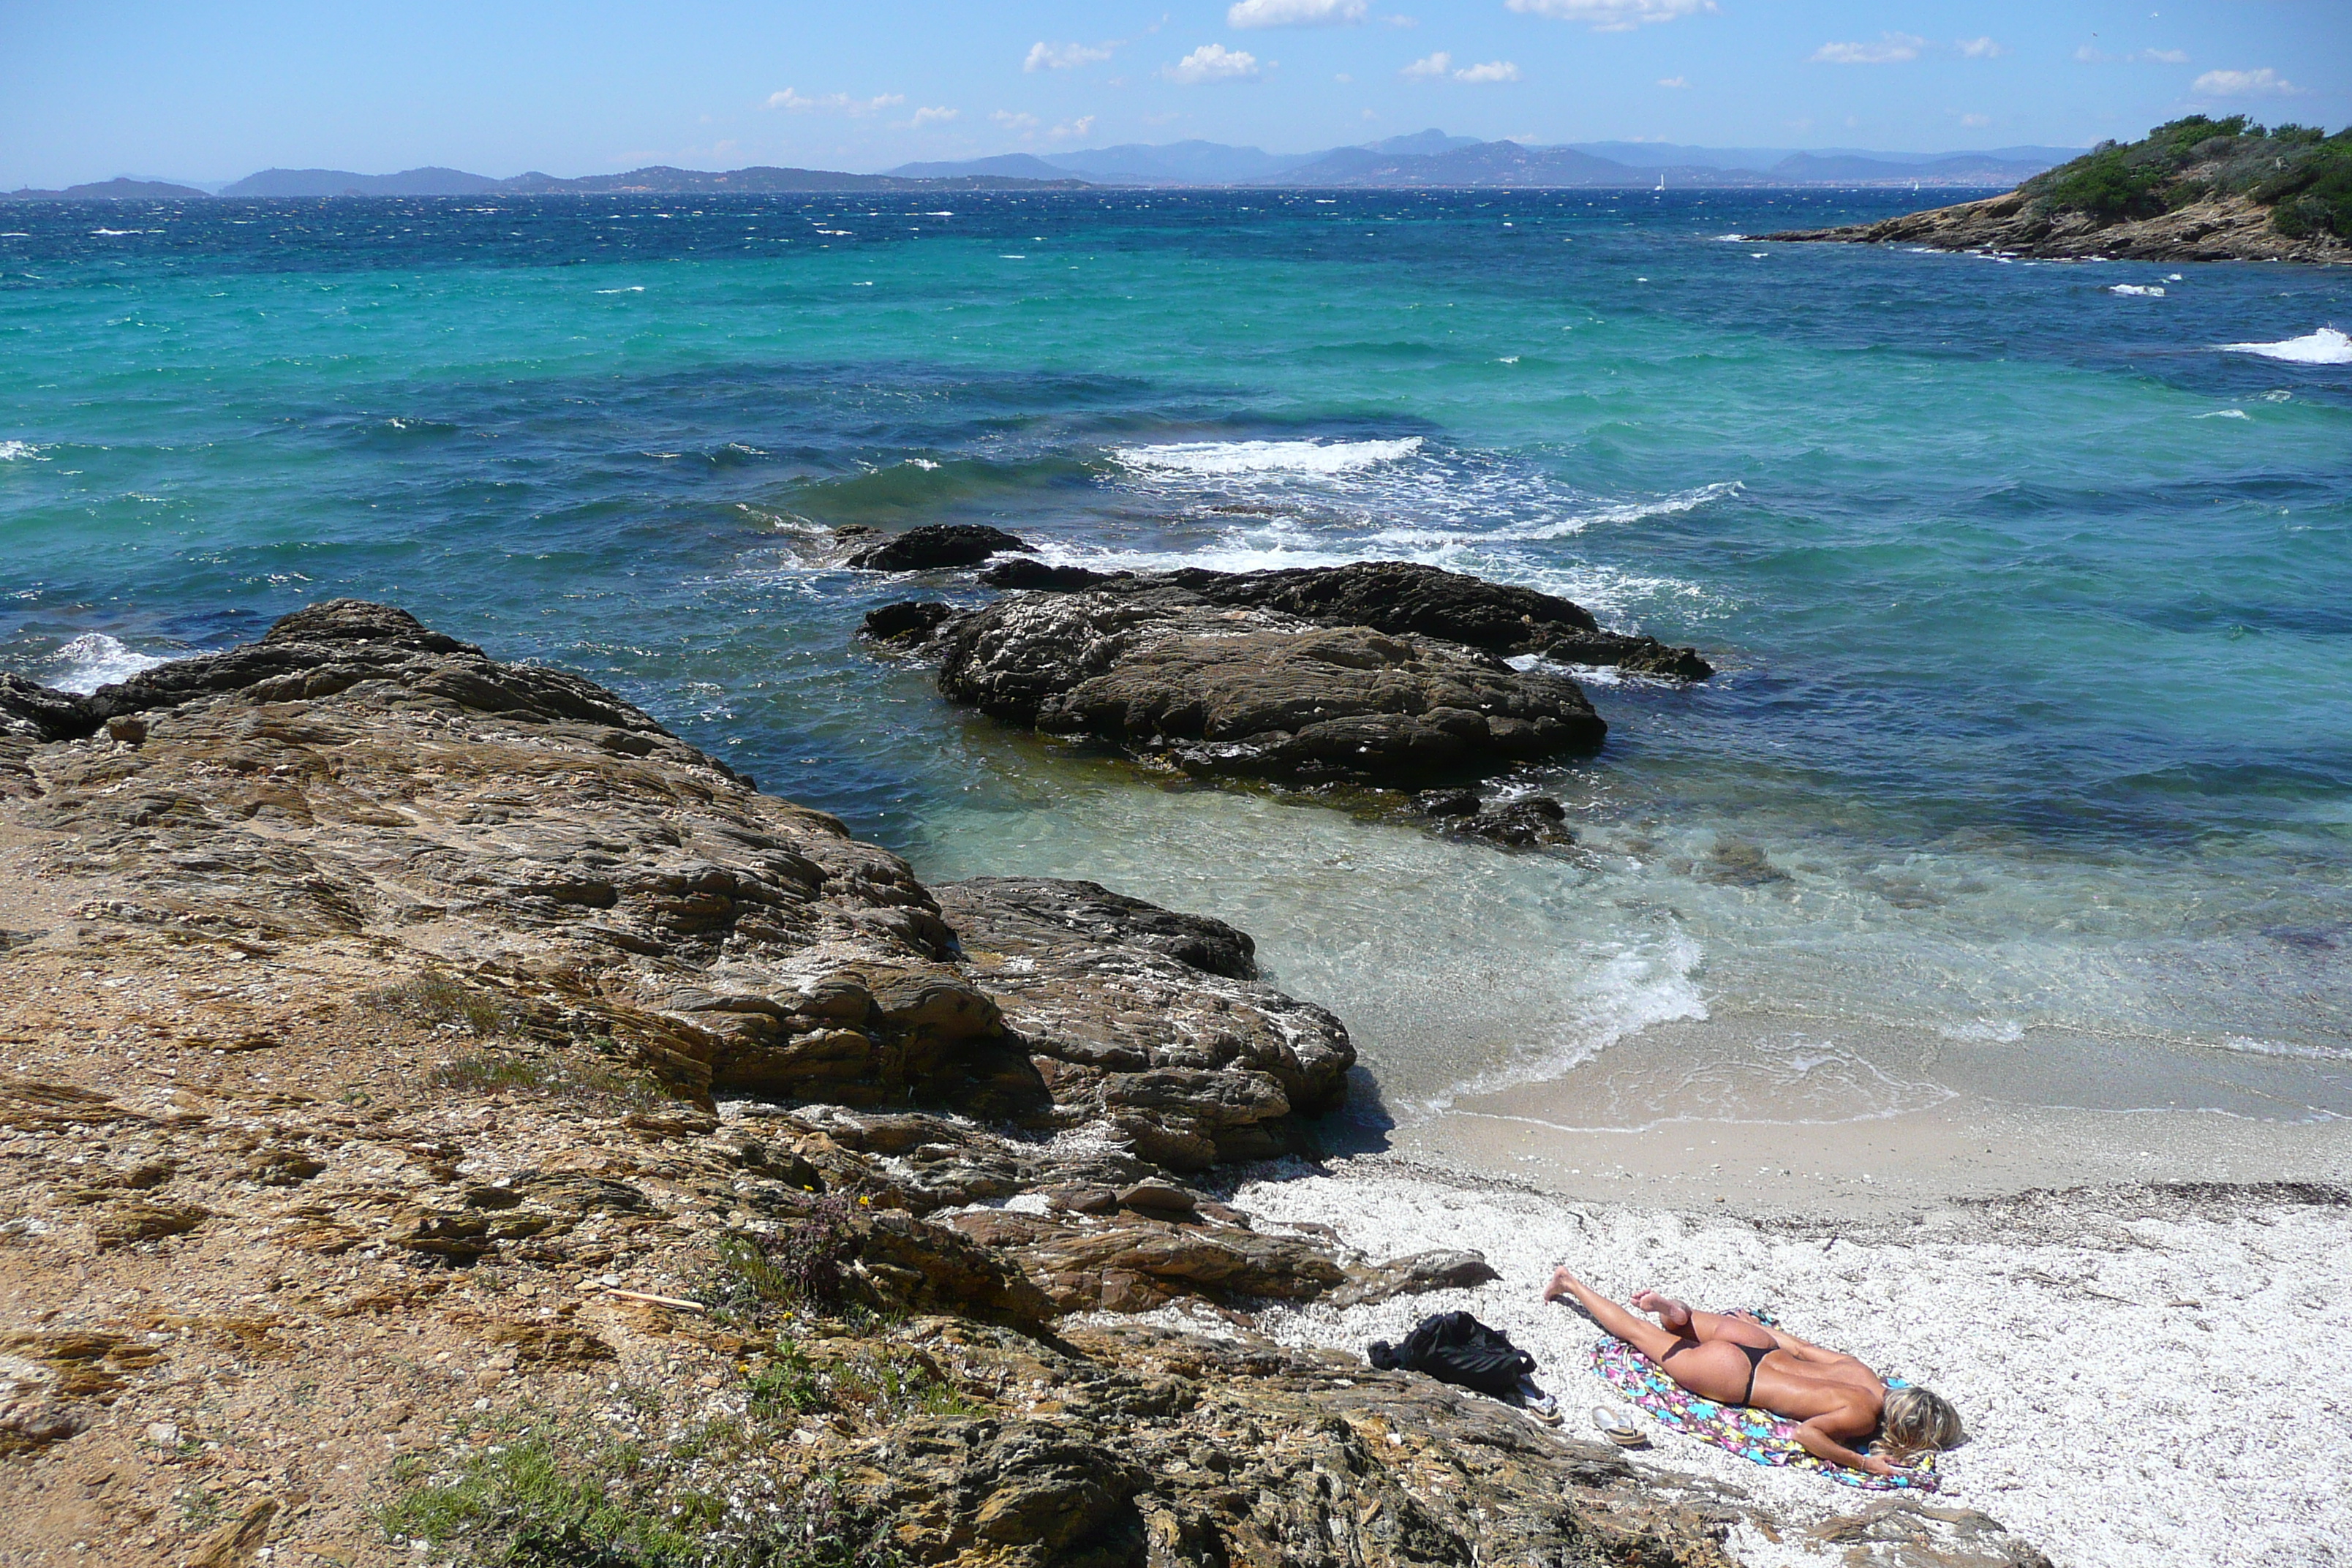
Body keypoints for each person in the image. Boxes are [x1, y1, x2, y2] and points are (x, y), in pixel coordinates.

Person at [1544, 1267, 1963, 1477]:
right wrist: (1860, 1461)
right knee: (1636, 1333)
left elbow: (1798, 1346)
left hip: (1758, 1343)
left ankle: (1676, 1314)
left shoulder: (1864, 1374)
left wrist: (1759, 1327)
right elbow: (1807, 1435)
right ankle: (1571, 1284)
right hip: (1737, 1378)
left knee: (1674, 1326)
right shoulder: (1861, 1415)